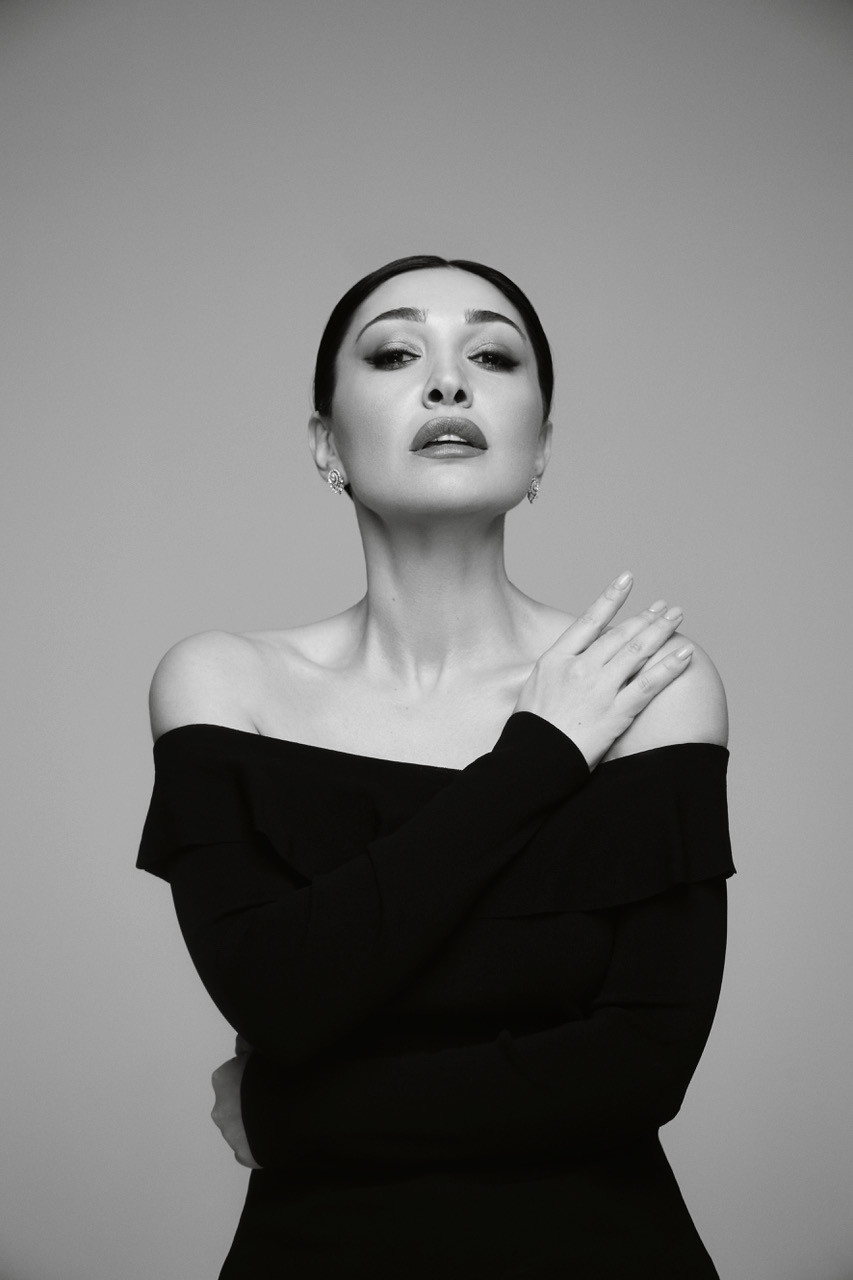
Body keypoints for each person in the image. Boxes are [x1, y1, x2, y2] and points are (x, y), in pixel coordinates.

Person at [137, 254, 733, 1278]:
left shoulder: (648, 687)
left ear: (541, 447)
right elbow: (278, 993)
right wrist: (541, 755)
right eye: (396, 353)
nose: (448, 382)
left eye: (492, 357)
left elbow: (638, 1068)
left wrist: (288, 1112)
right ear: (326, 445)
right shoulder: (223, 683)